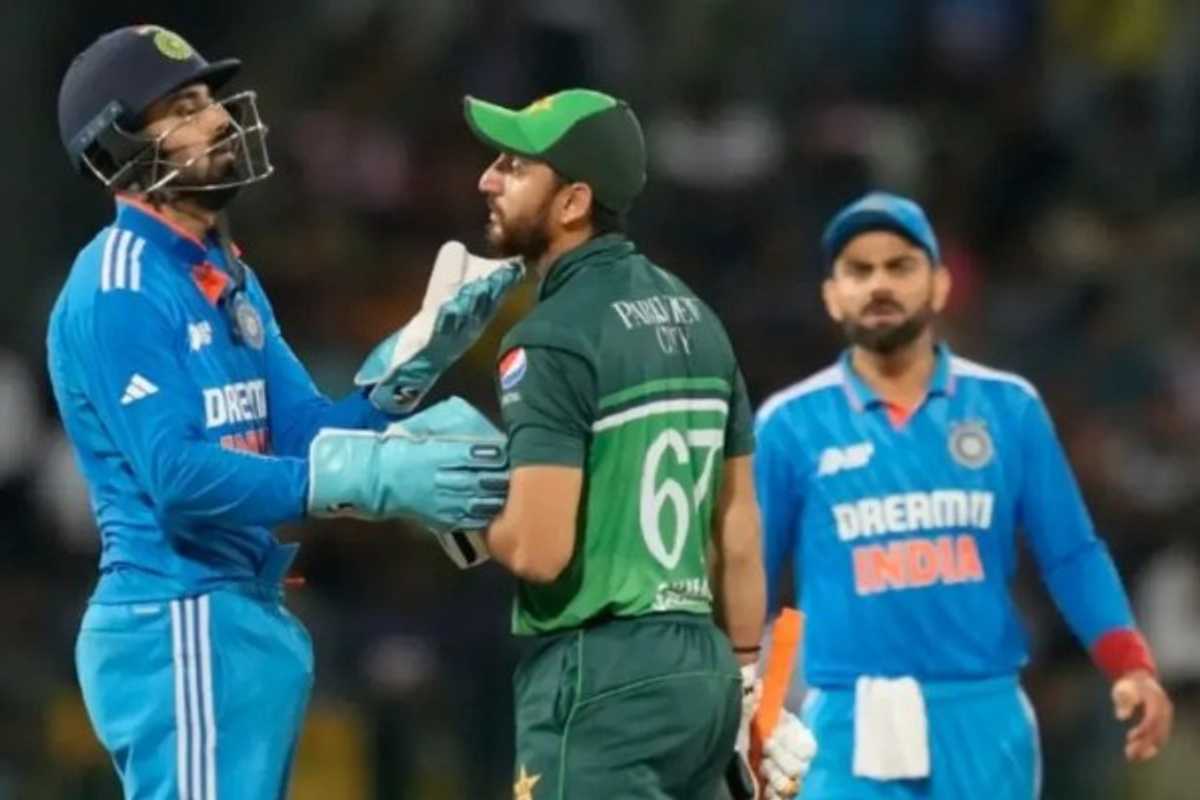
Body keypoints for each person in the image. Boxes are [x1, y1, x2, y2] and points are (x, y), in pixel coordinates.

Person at [48, 25, 514, 798]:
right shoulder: (118, 283)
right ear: (118, 146)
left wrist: (410, 363)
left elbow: (300, 436)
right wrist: (375, 476)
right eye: (186, 107)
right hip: (179, 618)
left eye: (213, 101)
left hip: (237, 615)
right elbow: (178, 476)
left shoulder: (225, 272)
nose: (222, 120)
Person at [754, 191, 1175, 799]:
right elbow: (752, 574)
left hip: (981, 711)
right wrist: (740, 699)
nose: (879, 285)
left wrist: (1129, 663)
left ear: (941, 285)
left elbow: (1071, 553)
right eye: (858, 270)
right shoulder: (790, 424)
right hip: (846, 719)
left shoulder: (1008, 408)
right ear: (831, 294)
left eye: (900, 266)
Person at [460, 87, 815, 799]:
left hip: (603, 676)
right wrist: (749, 688)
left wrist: (454, 513)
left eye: (514, 167)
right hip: (704, 674)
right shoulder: (697, 317)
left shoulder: (551, 337)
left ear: (572, 202)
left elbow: (539, 548)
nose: (486, 180)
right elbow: (739, 527)